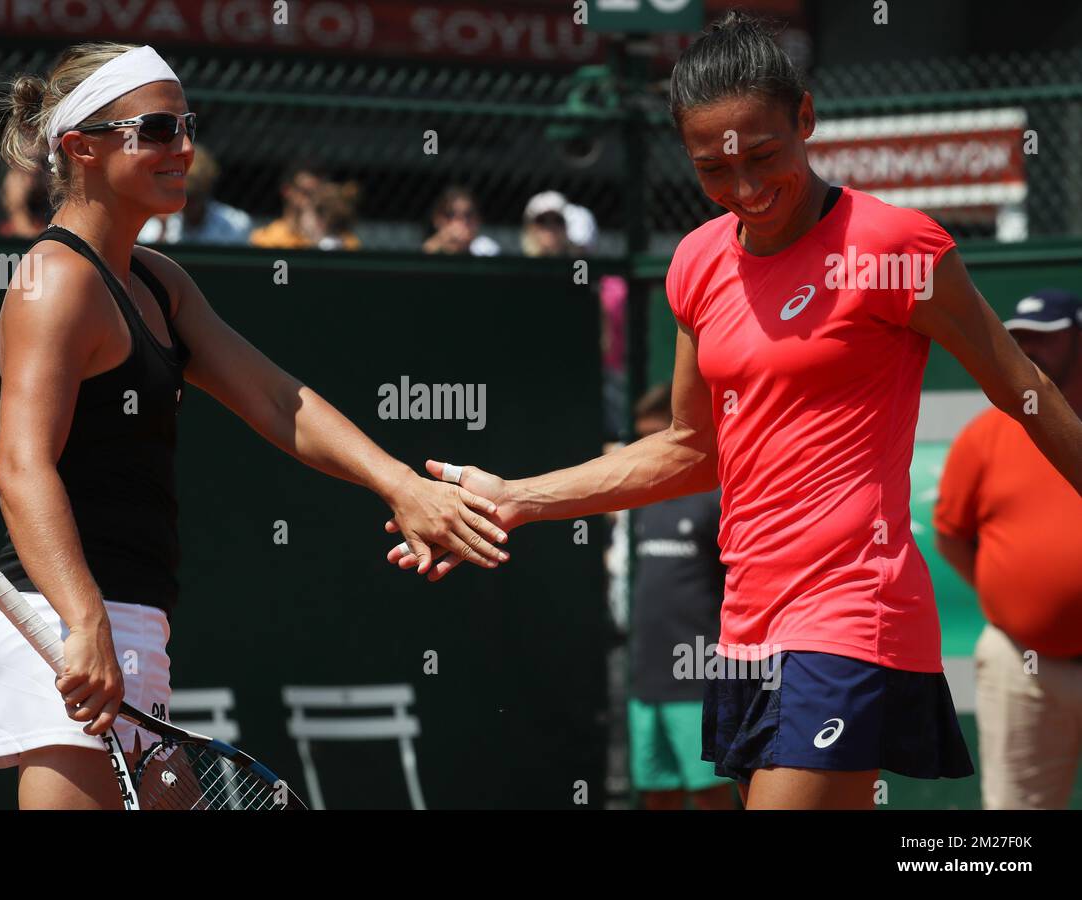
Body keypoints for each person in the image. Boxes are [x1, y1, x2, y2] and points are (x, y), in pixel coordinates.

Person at [384, 11, 1082, 810]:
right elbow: (691, 448)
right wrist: (518, 499)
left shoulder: (894, 248)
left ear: (806, 120)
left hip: (853, 609)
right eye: (714, 169)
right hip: (746, 624)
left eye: (764, 156)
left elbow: (1021, 385)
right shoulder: (696, 262)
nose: (746, 190)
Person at [0, 42, 508, 809]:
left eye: (186, 125)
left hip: (130, 622)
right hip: (64, 618)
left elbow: (277, 400)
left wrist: (399, 485)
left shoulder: (161, 283)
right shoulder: (52, 282)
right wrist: (83, 619)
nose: (184, 148)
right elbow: (21, 469)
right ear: (80, 148)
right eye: (156, 129)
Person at [934, 288, 1082, 809]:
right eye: (1020, 340)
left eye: (1046, 338)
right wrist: (1012, 597)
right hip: (1023, 663)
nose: (1030, 350)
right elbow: (950, 535)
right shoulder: (986, 434)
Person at [622, 385, 733, 810]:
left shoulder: (716, 497)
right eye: (640, 438)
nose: (647, 450)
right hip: (646, 681)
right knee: (657, 793)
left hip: (700, 678)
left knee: (708, 792)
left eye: (656, 437)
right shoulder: (640, 500)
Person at [137, 145, 251, 245]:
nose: (187, 203)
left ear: (207, 189)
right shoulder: (154, 226)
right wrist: (163, 229)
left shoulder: (237, 224)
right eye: (182, 194)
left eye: (194, 196)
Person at [248, 158, 327, 249]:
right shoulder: (267, 239)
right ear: (287, 191)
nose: (314, 200)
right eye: (306, 193)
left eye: (320, 193)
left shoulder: (338, 239)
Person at [423, 186, 499, 256]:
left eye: (468, 215)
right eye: (451, 214)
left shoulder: (485, 248)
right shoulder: (426, 248)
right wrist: (440, 241)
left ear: (478, 219)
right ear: (437, 219)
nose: (461, 220)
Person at [0, 167, 51, 238]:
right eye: (22, 177)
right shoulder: (3, 232)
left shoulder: (45, 228)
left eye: (32, 177)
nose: (29, 183)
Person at [520, 190, 576, 257]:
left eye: (557, 220)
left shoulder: (581, 263)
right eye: (541, 220)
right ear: (530, 227)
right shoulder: (515, 263)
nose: (550, 226)